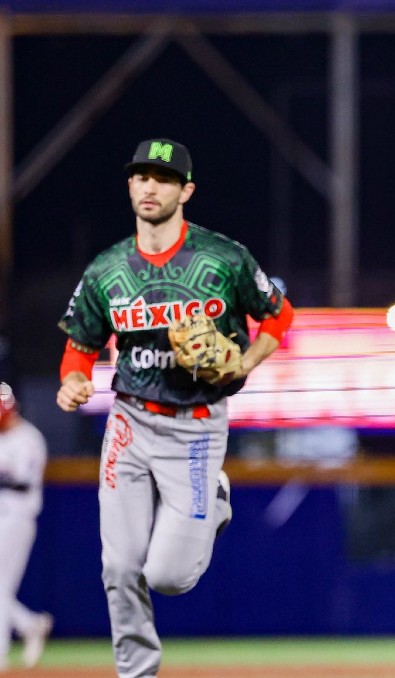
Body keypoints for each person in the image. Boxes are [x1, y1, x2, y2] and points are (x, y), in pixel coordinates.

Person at [55, 138, 294, 678]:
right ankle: (137, 671)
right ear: (130, 184)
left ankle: (215, 495)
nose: (149, 186)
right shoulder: (108, 269)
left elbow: (279, 316)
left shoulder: (222, 257)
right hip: (130, 420)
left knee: (168, 576)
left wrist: (245, 362)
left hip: (198, 425)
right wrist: (72, 379)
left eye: (162, 178)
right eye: (141, 176)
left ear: (185, 190)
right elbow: (80, 344)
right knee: (118, 566)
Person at [0, 383, 54, 670]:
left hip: (17, 517)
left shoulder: (29, 438)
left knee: (0, 583)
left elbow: (23, 481)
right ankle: (29, 624)